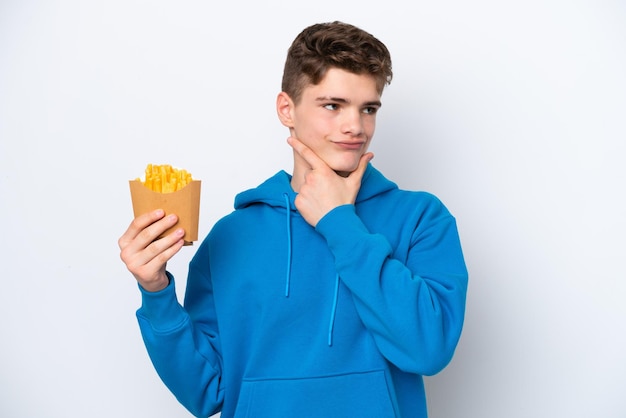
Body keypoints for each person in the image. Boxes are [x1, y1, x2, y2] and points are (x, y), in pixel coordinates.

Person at [119, 21, 468, 418]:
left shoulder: (422, 218)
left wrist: (339, 222)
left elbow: (429, 348)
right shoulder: (232, 235)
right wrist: (156, 292)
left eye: (368, 108)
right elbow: (207, 390)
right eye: (333, 106)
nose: (356, 126)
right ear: (287, 109)